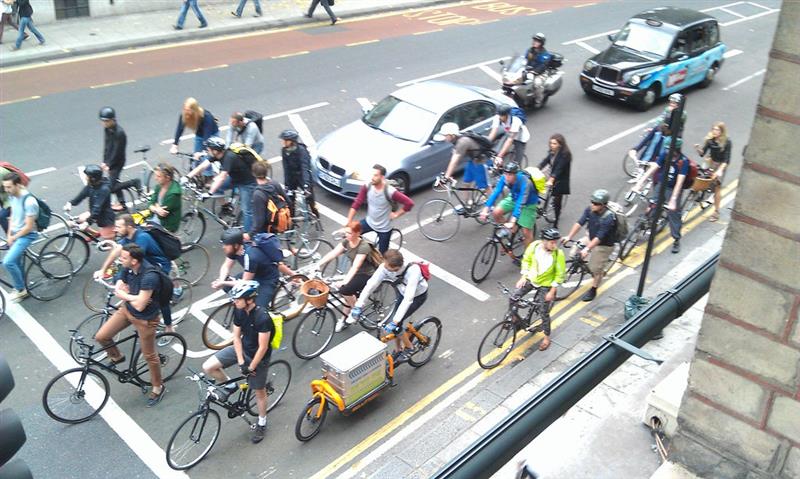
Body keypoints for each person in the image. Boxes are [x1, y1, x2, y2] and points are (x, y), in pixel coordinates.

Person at [94, 244, 167, 407]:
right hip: (127, 310)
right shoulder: (128, 268)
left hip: (145, 319)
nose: (120, 259)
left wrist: (124, 295)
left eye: (124, 258)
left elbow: (141, 305)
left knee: (149, 356)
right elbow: (122, 276)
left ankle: (158, 386)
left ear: (134, 261)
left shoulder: (149, 277)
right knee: (102, 336)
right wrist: (121, 283)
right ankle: (117, 356)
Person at [202, 280, 273, 443]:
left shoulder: (262, 317)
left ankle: (262, 422)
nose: (234, 302)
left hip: (258, 356)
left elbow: (262, 348)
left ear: (249, 299)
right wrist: (241, 362)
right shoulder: (239, 310)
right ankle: (230, 385)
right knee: (208, 366)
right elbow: (236, 337)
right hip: (243, 349)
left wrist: (251, 367)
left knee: (259, 392)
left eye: (238, 299)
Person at [94, 214, 176, 334]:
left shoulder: (142, 238)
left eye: (119, 227)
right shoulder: (128, 237)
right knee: (123, 279)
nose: (115, 229)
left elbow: (133, 261)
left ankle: (169, 327)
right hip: (144, 266)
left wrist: (123, 280)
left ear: (130, 226)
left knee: (160, 298)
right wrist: (103, 270)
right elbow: (117, 252)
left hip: (159, 267)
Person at [350, 249, 427, 363]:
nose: (384, 268)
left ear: (396, 267)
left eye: (388, 267)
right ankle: (398, 348)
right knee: (396, 325)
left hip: (417, 296)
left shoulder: (413, 271)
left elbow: (408, 299)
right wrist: (358, 305)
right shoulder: (385, 266)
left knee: (396, 324)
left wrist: (395, 321)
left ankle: (409, 347)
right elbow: (371, 284)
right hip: (402, 292)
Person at [185, 136, 258, 233]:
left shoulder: (229, 157)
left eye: (209, 148)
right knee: (216, 188)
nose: (207, 150)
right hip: (235, 178)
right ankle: (226, 207)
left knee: (247, 210)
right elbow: (203, 166)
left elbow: (222, 177)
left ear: (215, 150)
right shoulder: (217, 155)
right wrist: (187, 177)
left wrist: (210, 193)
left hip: (247, 183)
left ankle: (248, 235)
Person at [318, 221, 379, 332]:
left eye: (350, 233)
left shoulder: (363, 246)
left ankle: (356, 312)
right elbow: (333, 253)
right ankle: (344, 319)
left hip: (367, 274)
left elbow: (356, 267)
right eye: (346, 232)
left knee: (345, 290)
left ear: (357, 233)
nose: (347, 235)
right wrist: (318, 264)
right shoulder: (347, 241)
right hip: (356, 273)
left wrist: (344, 281)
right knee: (347, 294)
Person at [213, 228, 296, 310]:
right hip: (252, 275)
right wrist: (221, 279)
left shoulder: (251, 256)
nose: (223, 247)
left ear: (235, 245)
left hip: (266, 281)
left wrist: (223, 282)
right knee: (227, 287)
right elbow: (226, 266)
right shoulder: (235, 250)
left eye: (226, 245)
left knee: (257, 309)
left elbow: (244, 283)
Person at [633, 140, 690, 254]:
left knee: (673, 215)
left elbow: (679, 182)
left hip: (673, 189)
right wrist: (640, 183)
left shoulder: (683, 161)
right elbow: (653, 168)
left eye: (670, 149)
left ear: (676, 150)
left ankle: (676, 239)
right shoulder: (665, 154)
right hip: (661, 184)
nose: (667, 151)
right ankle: (646, 222)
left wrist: (673, 200)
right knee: (652, 205)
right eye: (667, 149)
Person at [561, 189, 618, 302]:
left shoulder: (609, 218)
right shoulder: (590, 209)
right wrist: (569, 236)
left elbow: (600, 237)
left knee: (594, 269)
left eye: (596, 203)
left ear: (604, 205)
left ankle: (594, 288)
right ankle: (579, 264)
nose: (593, 205)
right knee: (574, 251)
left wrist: (587, 249)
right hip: (591, 237)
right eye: (592, 202)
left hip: (603, 245)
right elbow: (580, 223)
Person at [344, 164, 414, 254]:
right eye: (371, 175)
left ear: (382, 177)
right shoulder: (367, 186)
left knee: (382, 256)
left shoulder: (390, 191)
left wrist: (396, 214)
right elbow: (357, 203)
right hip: (369, 222)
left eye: (375, 175)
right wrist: (349, 221)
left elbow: (409, 203)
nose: (372, 178)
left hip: (384, 228)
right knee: (351, 235)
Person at [515, 228, 565, 351]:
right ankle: (515, 320)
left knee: (544, 312)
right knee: (513, 297)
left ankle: (547, 337)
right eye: (552, 242)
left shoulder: (558, 255)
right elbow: (526, 260)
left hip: (546, 284)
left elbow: (559, 275)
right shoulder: (534, 246)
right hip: (532, 279)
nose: (555, 245)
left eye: (555, 242)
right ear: (544, 241)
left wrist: (552, 292)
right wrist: (523, 276)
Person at [480, 161, 538, 248]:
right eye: (505, 174)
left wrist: (513, 220)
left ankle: (527, 258)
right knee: (496, 212)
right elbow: (496, 192)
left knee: (526, 232)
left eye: (510, 175)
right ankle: (510, 230)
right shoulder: (504, 178)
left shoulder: (525, 182)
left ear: (516, 174)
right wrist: (486, 209)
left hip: (528, 203)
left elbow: (521, 202)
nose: (507, 177)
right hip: (514, 197)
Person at [1, 172, 38, 302]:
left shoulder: (29, 202)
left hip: (27, 235)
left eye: (9, 187)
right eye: (4, 187)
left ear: (17, 185)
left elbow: (28, 227)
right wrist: (9, 234)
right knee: (16, 261)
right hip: (16, 234)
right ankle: (22, 287)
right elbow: (12, 217)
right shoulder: (12, 197)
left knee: (8, 262)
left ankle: (21, 289)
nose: (6, 190)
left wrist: (14, 237)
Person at [64, 164, 116, 240]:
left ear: (93, 178)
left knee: (109, 245)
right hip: (93, 213)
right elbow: (81, 195)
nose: (85, 177)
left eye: (87, 176)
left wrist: (87, 222)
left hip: (105, 218)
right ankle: (94, 234)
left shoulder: (104, 189)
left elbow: (97, 208)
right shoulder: (91, 185)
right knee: (72, 223)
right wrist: (70, 203)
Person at [439, 122, 490, 196]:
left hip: (481, 162)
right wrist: (448, 174)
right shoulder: (456, 140)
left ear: (452, 135)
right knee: (466, 184)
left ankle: (492, 205)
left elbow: (454, 161)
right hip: (472, 161)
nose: (444, 137)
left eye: (445, 135)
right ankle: (467, 205)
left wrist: (446, 177)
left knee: (484, 187)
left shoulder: (462, 142)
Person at [694, 121, 731, 222]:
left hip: (720, 165)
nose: (715, 131)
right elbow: (702, 153)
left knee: (717, 187)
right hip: (711, 162)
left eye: (717, 130)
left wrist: (719, 171)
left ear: (722, 131)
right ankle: (700, 193)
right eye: (713, 129)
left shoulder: (727, 142)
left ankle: (716, 211)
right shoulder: (710, 140)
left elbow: (726, 160)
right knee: (701, 175)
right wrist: (698, 149)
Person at [278, 129, 319, 218]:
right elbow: (286, 168)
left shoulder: (301, 151)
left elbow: (305, 168)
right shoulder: (284, 150)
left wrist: (306, 186)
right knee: (290, 199)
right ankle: (291, 219)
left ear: (292, 141)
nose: (283, 142)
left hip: (301, 176)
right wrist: (287, 185)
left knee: (310, 199)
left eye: (286, 140)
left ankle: (316, 216)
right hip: (292, 177)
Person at [538, 134, 572, 228]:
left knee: (557, 201)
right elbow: (545, 161)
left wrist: (551, 180)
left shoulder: (565, 154)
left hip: (560, 179)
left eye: (554, 143)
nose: (552, 145)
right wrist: (536, 169)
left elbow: (559, 168)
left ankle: (556, 222)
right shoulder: (552, 151)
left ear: (560, 145)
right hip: (551, 172)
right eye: (551, 143)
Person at [98, 107, 128, 211]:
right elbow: (107, 146)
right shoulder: (107, 129)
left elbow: (117, 151)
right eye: (103, 121)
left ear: (113, 119)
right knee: (113, 182)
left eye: (106, 121)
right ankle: (122, 204)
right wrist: (104, 161)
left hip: (118, 161)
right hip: (110, 161)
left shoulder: (120, 133)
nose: (104, 123)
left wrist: (109, 164)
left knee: (110, 186)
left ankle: (133, 182)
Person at [250, 161, 287, 238]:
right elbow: (287, 201)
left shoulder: (258, 194)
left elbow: (259, 221)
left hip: (265, 231)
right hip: (276, 223)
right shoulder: (275, 184)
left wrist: (250, 234)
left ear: (254, 174)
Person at [146, 164, 183, 233]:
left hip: (167, 224)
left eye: (158, 176)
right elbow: (150, 203)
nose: (155, 178)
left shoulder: (173, 194)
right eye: (155, 175)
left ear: (167, 178)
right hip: (156, 217)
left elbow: (162, 215)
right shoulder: (159, 186)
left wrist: (154, 206)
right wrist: (157, 208)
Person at [525, 33, 553, 107]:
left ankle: (538, 100)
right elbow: (525, 60)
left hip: (540, 73)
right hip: (529, 70)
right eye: (534, 40)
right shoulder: (530, 50)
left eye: (537, 41)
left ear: (541, 43)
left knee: (537, 84)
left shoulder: (544, 54)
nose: (534, 42)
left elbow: (543, 66)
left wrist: (534, 72)